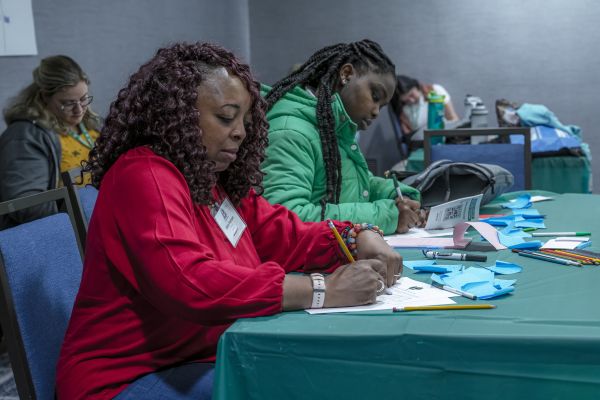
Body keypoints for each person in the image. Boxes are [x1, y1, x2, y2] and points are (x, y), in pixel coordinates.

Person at [55, 42, 403, 399]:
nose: (240, 132)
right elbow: (190, 281)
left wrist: (357, 236)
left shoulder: (212, 180)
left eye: (245, 122)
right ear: (178, 114)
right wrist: (322, 290)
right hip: (124, 378)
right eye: (226, 117)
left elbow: (282, 233)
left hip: (200, 355)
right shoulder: (143, 175)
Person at [261, 39, 424, 235]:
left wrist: (396, 195)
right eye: (375, 96)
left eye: (382, 107)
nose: (376, 113)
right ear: (346, 74)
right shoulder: (291, 132)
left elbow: (352, 183)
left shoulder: (333, 127)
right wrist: (388, 215)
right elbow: (286, 220)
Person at [0, 55, 101, 229]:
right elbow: (28, 205)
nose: (79, 110)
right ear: (44, 97)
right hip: (67, 231)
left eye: (84, 99)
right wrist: (81, 223)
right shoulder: (24, 137)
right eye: (68, 103)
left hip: (96, 220)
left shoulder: (92, 125)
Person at [390, 74, 459, 149]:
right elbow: (409, 137)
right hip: (423, 145)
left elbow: (453, 118)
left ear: (416, 87)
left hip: (446, 138)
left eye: (411, 95)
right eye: (406, 100)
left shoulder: (435, 90)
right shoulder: (404, 110)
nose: (411, 100)